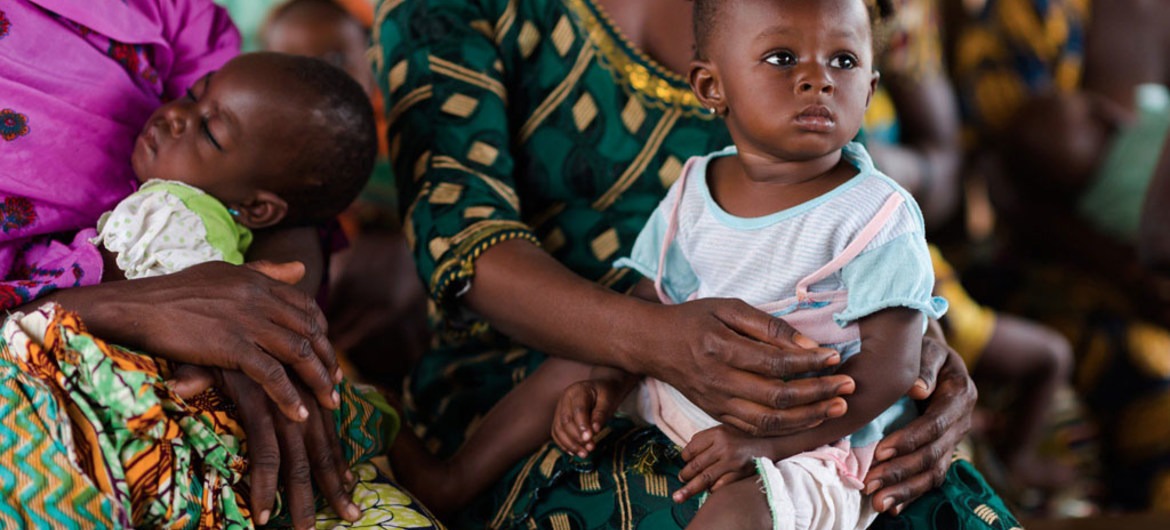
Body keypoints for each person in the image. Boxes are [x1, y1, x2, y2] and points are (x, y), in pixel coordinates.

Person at [374, 0, 1019, 527]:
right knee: (664, 480)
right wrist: (635, 355)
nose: (818, 76)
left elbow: (848, 203)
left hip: (810, 399)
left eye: (843, 63)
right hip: (543, 346)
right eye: (783, 59)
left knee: (923, 503)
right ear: (710, 85)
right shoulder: (694, 187)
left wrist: (915, 341)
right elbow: (466, 237)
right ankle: (455, 478)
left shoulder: (821, 57)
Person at [0, 1, 438, 528]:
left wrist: (266, 326)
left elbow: (283, 158)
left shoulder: (165, 13)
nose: (173, 114)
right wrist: (141, 308)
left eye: (200, 114)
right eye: (188, 99)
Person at [945, 0, 1170, 511]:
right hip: (1062, 268)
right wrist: (1127, 273)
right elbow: (1005, 182)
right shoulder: (1036, 11)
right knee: (1154, 378)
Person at [864, 0, 1077, 500]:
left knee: (1047, 361)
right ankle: (1009, 459)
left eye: (847, 62)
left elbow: (944, 172)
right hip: (877, 293)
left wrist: (879, 169)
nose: (819, 79)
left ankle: (1012, 460)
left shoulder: (898, 16)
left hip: (918, 274)